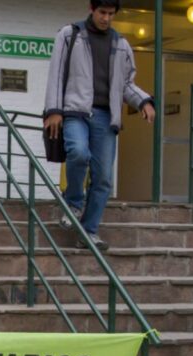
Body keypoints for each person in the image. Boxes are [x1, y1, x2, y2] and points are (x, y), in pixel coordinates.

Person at [43, 0, 155, 250]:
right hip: (75, 111)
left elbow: (126, 84)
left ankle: (89, 231)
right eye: (102, 12)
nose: (106, 18)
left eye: (111, 14)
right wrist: (53, 110)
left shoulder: (122, 44)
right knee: (79, 153)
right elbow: (56, 73)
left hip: (106, 116)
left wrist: (144, 102)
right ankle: (73, 201)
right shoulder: (70, 34)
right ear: (92, 9)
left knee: (103, 177)